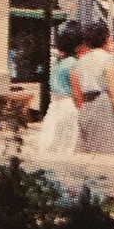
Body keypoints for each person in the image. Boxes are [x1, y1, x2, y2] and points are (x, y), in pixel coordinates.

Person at [70, 22, 114, 154]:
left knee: (88, 150)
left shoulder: (80, 62)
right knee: (107, 151)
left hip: (86, 105)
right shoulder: (107, 59)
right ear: (106, 38)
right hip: (103, 104)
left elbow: (76, 91)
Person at [35, 25, 83, 155]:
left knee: (52, 139)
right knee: (68, 142)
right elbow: (76, 90)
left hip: (55, 103)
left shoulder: (56, 63)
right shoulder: (73, 63)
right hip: (68, 104)